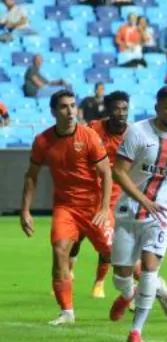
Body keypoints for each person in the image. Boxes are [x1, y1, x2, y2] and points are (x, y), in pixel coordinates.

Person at [107, 85, 167, 342]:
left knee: (149, 267)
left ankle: (136, 331)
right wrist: (143, 199)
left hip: (162, 211)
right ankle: (127, 294)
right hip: (129, 210)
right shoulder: (138, 132)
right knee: (121, 273)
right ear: (157, 107)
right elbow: (118, 171)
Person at [19, 90, 113, 326]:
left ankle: (152, 284)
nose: (70, 111)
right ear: (53, 111)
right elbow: (31, 176)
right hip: (65, 207)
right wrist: (25, 211)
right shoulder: (43, 141)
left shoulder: (89, 136)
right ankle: (67, 312)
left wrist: (103, 209)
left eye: (72, 106)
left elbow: (106, 173)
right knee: (60, 250)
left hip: (93, 207)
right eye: (64, 107)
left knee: (119, 257)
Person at [68, 91, 130, 299]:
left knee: (107, 241)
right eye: (116, 109)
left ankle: (99, 283)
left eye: (124, 109)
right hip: (88, 191)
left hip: (114, 197)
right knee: (77, 237)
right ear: (108, 111)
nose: (121, 113)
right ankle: (67, 273)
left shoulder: (133, 134)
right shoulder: (94, 129)